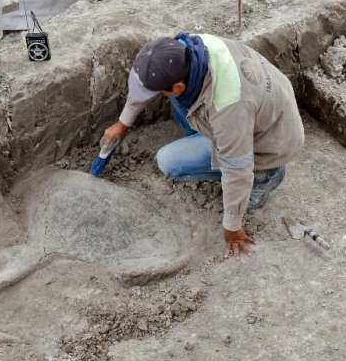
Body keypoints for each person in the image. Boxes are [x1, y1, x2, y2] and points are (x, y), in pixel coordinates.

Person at [101, 33, 304, 256]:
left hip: (269, 145)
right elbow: (145, 82)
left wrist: (232, 226)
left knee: (168, 162)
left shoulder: (228, 107)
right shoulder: (185, 48)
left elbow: (238, 170)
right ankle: (208, 140)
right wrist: (122, 123)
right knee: (183, 107)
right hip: (260, 111)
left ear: (178, 86)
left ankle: (268, 176)